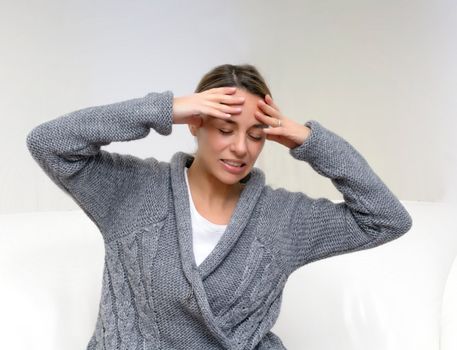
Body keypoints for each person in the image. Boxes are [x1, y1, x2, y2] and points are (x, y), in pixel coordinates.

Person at [26, 64, 413, 350]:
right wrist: (165, 108)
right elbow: (48, 143)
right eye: (225, 130)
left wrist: (308, 140)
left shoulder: (282, 220)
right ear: (195, 123)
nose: (241, 148)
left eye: (256, 135)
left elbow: (386, 219)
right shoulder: (133, 192)